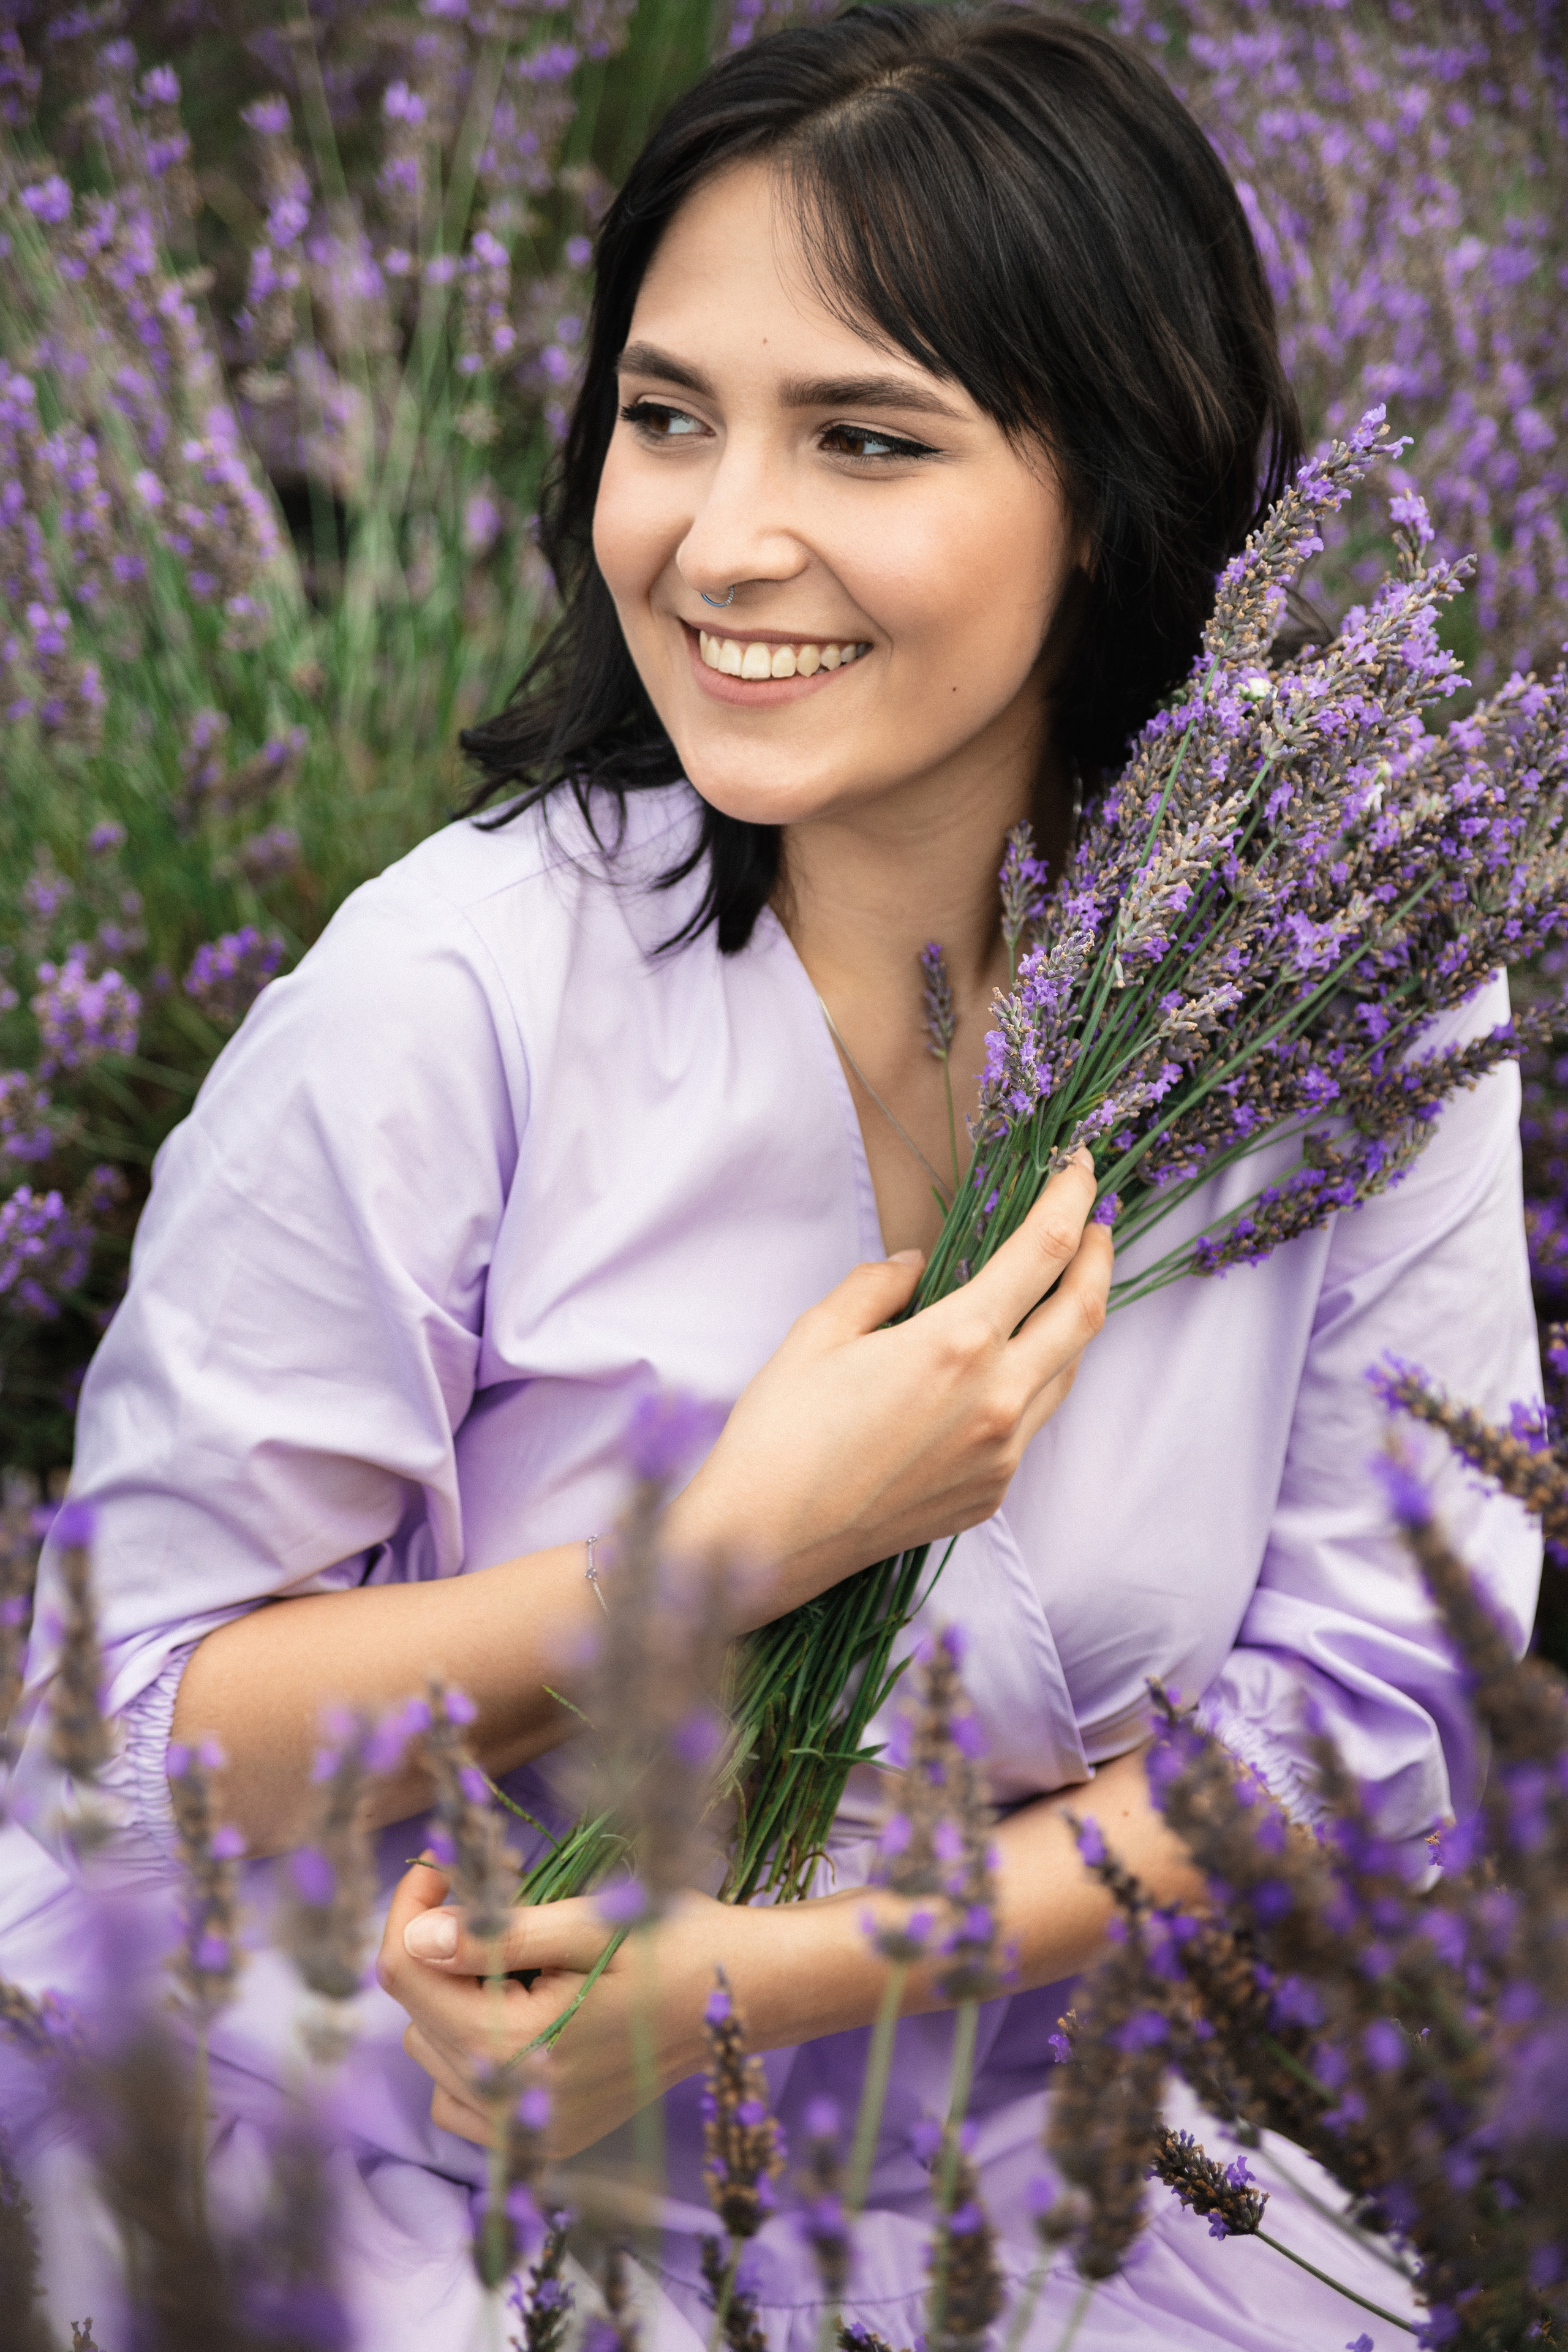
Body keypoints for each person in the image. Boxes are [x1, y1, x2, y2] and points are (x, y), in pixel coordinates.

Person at [1, 6, 1539, 2345]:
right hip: (429, 2152)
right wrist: (729, 1548)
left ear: (1111, 489)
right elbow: (132, 1742)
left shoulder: (1346, 996)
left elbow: (1369, 1714)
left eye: (867, 437)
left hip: (1086, 2161)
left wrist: (787, 1975)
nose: (723, 537)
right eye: (663, 416)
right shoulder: (448, 997)